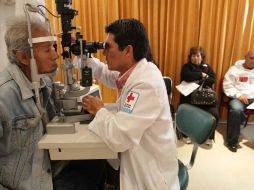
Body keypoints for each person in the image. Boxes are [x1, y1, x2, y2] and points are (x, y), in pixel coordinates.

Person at [0, 17, 106, 190]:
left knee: (99, 160)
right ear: (24, 57)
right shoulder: (4, 96)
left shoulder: (44, 83)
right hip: (28, 183)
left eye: (54, 47)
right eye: (47, 49)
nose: (55, 55)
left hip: (53, 168)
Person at [82, 18, 179, 190]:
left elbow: (120, 137)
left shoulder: (146, 84)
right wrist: (83, 55)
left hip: (150, 178)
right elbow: (108, 75)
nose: (104, 53)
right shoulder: (136, 71)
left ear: (127, 51)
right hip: (139, 161)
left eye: (108, 47)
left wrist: (100, 110)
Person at [179, 46, 219, 146]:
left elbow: (212, 80)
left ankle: (209, 136)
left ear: (202, 57)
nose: (195, 58)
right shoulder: (186, 67)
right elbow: (186, 76)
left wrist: (197, 79)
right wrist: (201, 75)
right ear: (190, 57)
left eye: (197, 55)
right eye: (193, 55)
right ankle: (185, 134)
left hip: (204, 98)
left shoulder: (207, 67)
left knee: (215, 114)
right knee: (185, 110)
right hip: (189, 97)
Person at [223, 50, 254, 152]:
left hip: (252, 98)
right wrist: (238, 95)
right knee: (236, 110)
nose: (253, 61)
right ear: (246, 57)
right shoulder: (234, 69)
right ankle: (232, 142)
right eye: (251, 58)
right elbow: (227, 85)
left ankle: (241, 120)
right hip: (238, 98)